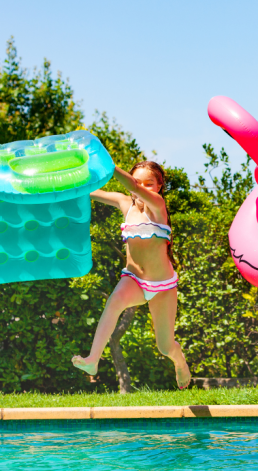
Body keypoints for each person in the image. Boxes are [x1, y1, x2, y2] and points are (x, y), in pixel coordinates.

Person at [72, 161, 191, 389]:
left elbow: (134, 187)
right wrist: (64, 187)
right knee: (114, 301)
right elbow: (90, 192)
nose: (143, 188)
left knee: (165, 347)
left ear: (159, 186)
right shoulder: (125, 203)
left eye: (150, 184)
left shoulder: (157, 205)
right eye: (139, 182)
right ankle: (92, 360)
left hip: (162, 286)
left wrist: (109, 165)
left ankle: (180, 362)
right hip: (134, 280)